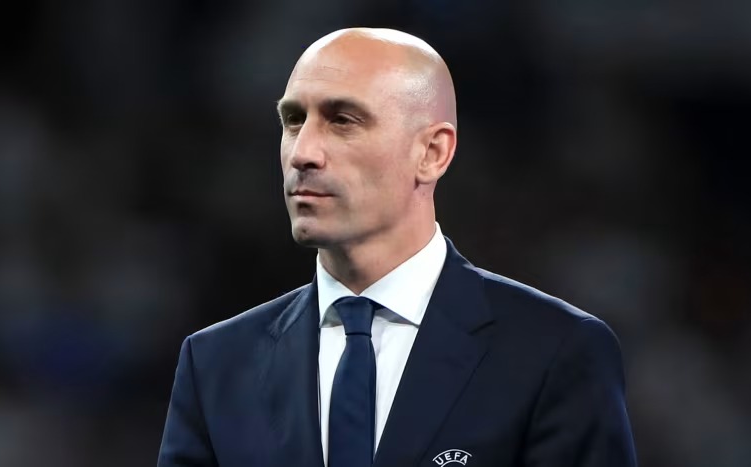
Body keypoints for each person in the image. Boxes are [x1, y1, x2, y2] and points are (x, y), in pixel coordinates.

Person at [157, 27, 637, 467]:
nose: (302, 152)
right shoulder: (216, 364)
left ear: (432, 152)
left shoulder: (554, 351)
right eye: (294, 120)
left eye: (342, 120)